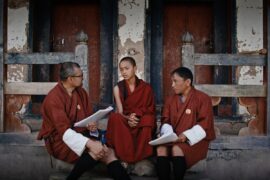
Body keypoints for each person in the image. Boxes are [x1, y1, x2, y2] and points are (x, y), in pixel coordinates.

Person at [37, 62, 130, 180]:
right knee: (101, 152)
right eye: (80, 75)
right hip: (60, 141)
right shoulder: (53, 99)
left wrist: (92, 126)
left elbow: (88, 118)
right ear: (70, 79)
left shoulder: (81, 92)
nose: (83, 78)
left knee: (108, 151)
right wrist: (91, 144)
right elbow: (64, 132)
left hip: (82, 133)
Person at [156, 67, 216, 180]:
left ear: (187, 82)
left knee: (177, 149)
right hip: (174, 138)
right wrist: (168, 134)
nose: (172, 85)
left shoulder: (203, 98)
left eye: (175, 81)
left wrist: (186, 136)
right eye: (172, 81)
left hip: (195, 139)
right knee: (161, 148)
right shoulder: (170, 100)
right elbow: (165, 120)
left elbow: (205, 123)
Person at [106, 56, 156, 164]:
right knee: (115, 117)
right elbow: (120, 112)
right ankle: (124, 155)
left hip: (140, 119)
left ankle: (139, 156)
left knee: (149, 120)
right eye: (121, 69)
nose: (124, 72)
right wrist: (129, 118)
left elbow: (150, 108)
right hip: (126, 120)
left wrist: (136, 115)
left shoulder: (146, 88)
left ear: (134, 68)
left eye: (127, 68)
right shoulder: (118, 88)